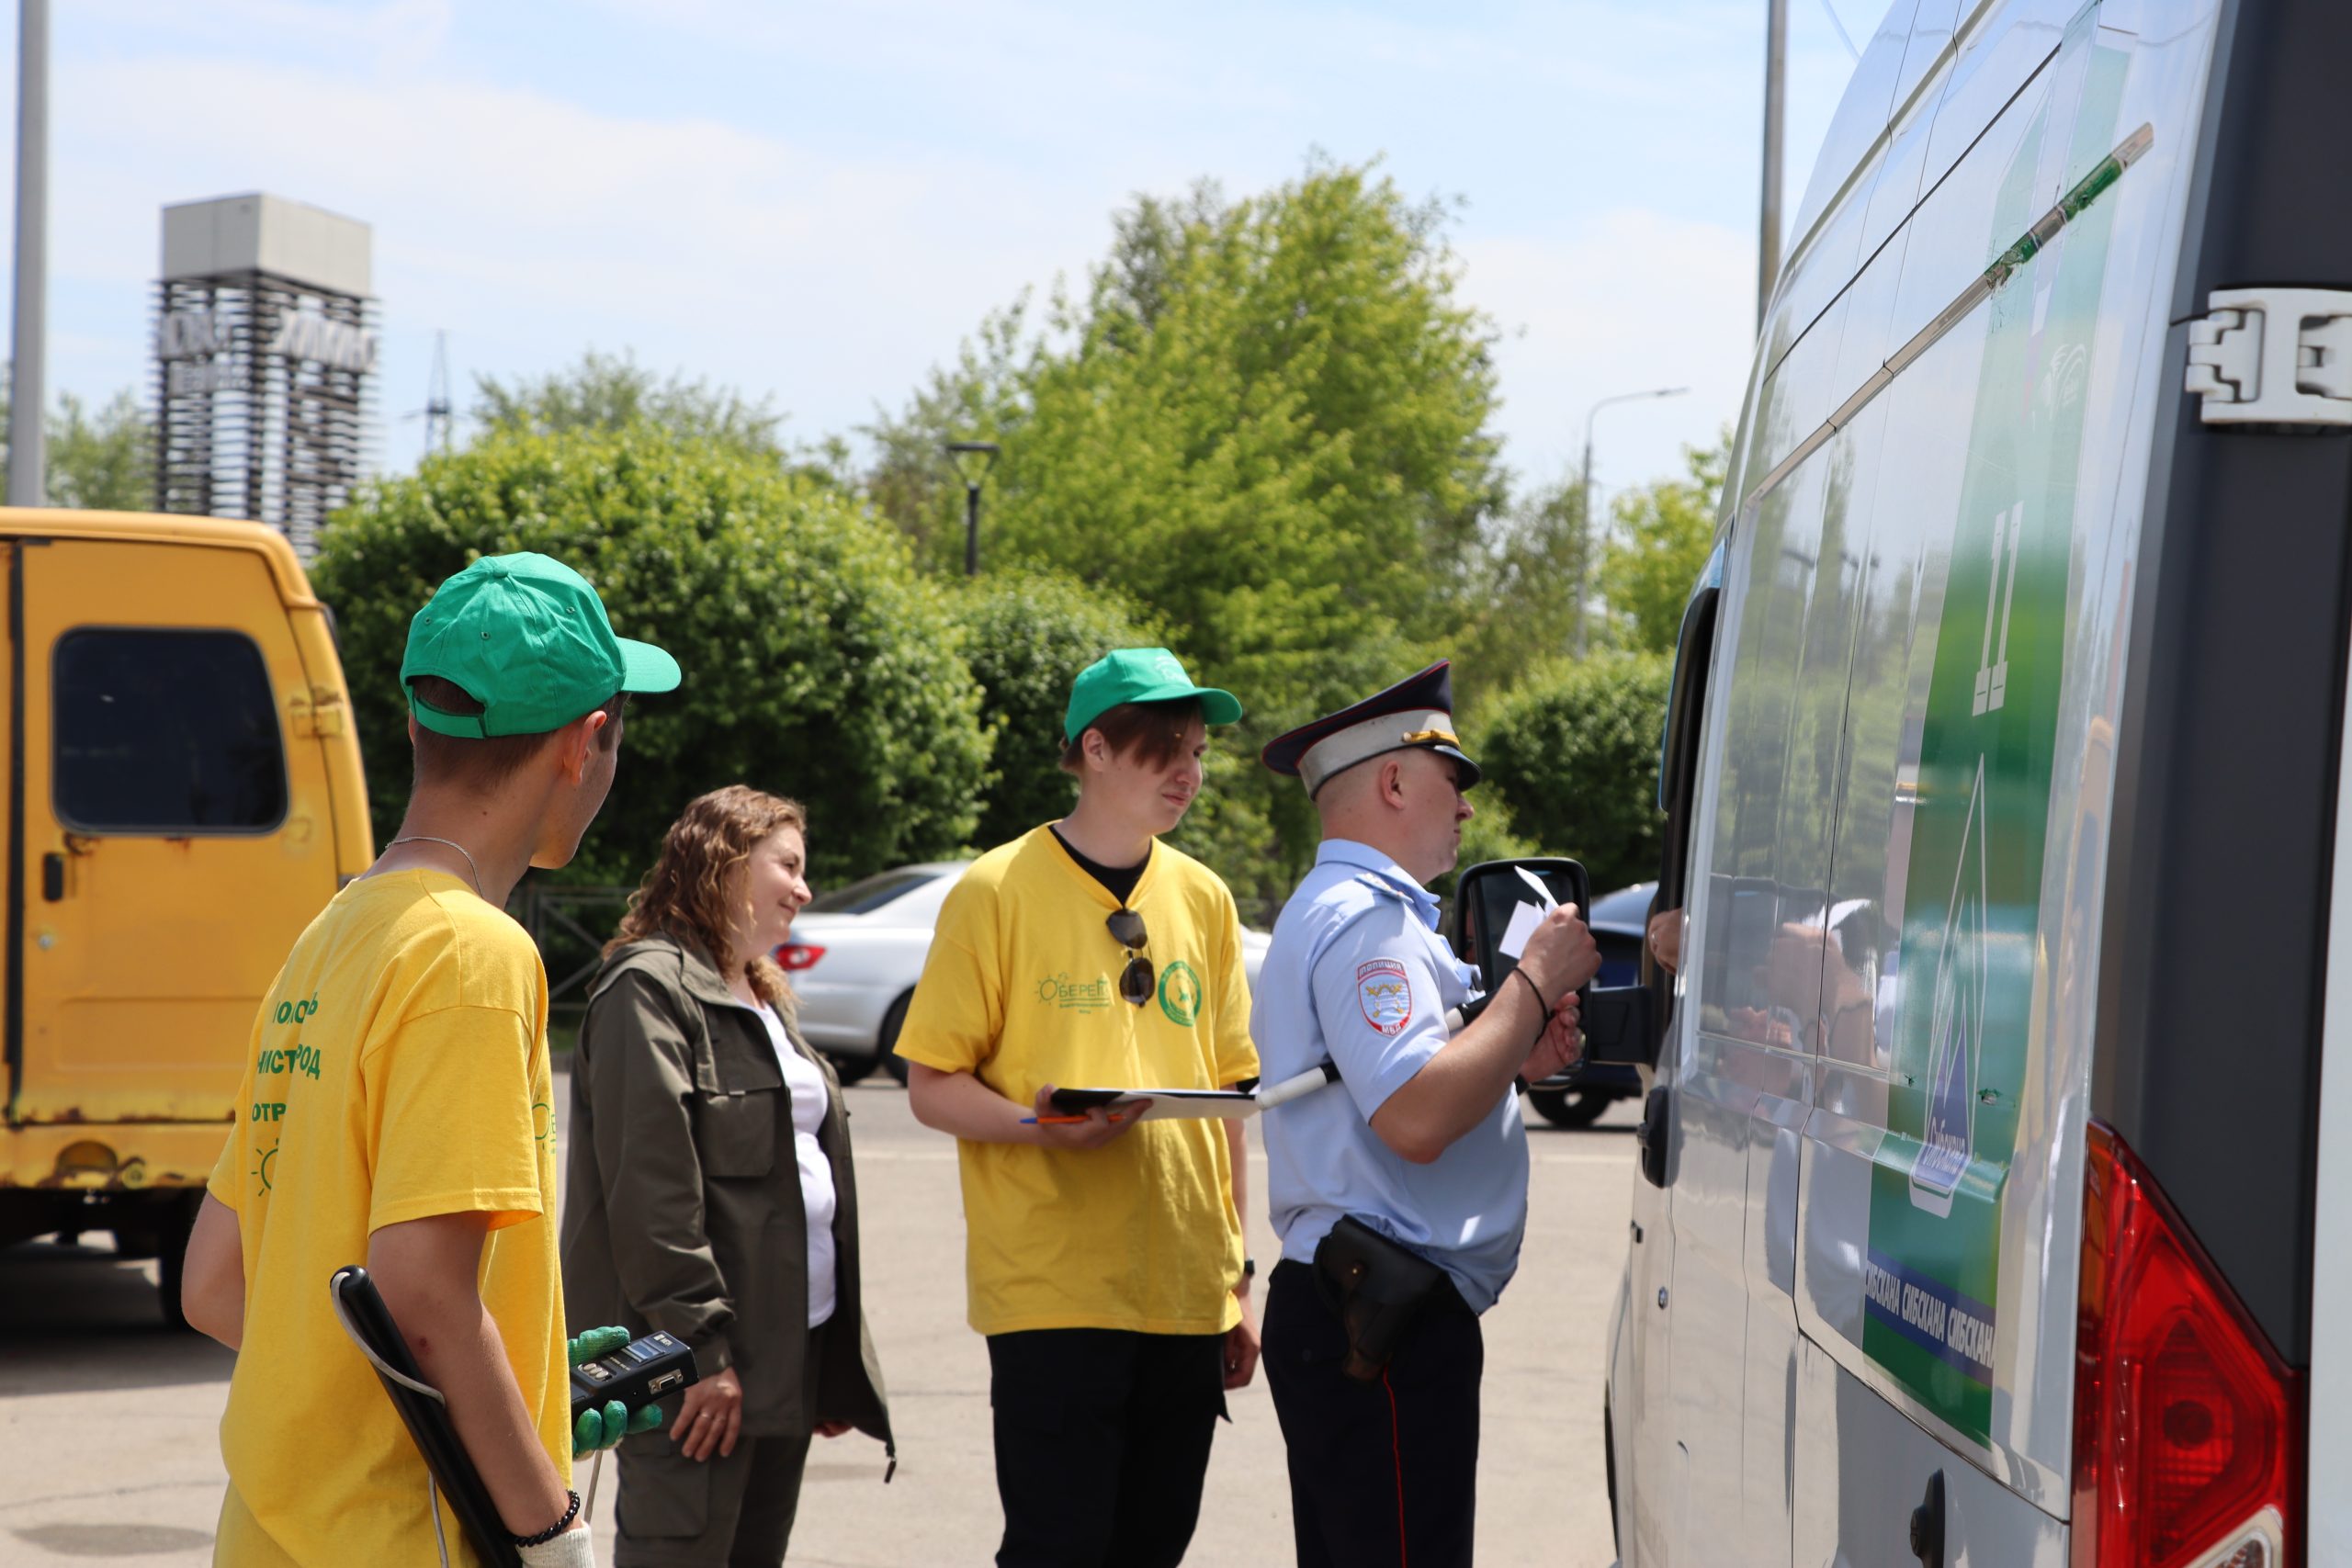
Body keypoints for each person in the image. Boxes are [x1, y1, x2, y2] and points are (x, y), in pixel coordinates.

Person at [178, 552, 683, 1568]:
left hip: (274, 1529)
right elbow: (422, 1296)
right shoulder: (474, 952)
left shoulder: (332, 934)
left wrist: (514, 1392)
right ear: (585, 745)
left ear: (417, 723)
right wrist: (549, 1525)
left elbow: (219, 1287)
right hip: (411, 1536)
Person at [893, 647, 1262, 1568]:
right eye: (1165, 748)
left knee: (1153, 1546)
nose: (1189, 771)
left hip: (1184, 1288)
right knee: (1059, 1546)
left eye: (1198, 750)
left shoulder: (1204, 897)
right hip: (1052, 1289)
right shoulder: (995, 890)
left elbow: (1227, 1102)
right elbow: (932, 1085)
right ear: (1094, 749)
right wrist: (1040, 1126)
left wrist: (1236, 1278)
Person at [1250, 660, 1600, 1568]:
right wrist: (1533, 981)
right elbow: (1411, 1115)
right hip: (1379, 1310)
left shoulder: (1360, 912)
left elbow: (1397, 1082)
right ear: (1395, 781)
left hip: (1369, 1301)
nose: (1467, 809)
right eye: (1453, 780)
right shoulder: (1367, 920)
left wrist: (1512, 1054)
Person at [562, 785, 894, 1566]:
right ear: (725, 860)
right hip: (699, 1371)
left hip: (781, 1365)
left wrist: (825, 1369)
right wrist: (700, 1355)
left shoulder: (761, 992)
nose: (805, 889)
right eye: (788, 865)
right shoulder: (649, 986)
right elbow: (653, 1195)